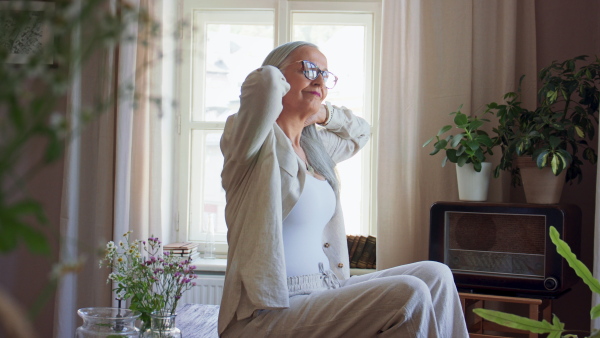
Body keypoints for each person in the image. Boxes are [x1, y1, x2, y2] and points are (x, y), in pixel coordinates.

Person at [218, 41, 469, 337]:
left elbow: (361, 131)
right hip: (267, 309)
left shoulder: (316, 148)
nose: (319, 80)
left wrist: (322, 114)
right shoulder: (250, 143)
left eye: (325, 74)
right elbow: (263, 83)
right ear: (281, 77)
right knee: (408, 292)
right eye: (308, 69)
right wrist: (283, 79)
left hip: (324, 289)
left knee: (436, 274)